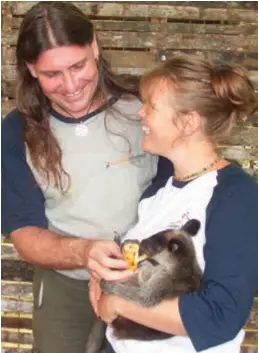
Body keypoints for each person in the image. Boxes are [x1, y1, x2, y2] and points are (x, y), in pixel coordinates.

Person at [1, 2, 173, 353]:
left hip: (148, 278)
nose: (70, 85)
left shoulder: (142, 108)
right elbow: (25, 234)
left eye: (78, 66)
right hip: (64, 284)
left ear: (94, 46)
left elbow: (181, 195)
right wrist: (85, 253)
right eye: (52, 74)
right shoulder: (16, 131)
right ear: (31, 69)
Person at [90, 56, 258, 353]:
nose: (141, 113)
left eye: (152, 106)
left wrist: (119, 303)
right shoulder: (160, 186)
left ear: (187, 123)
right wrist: (103, 277)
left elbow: (220, 315)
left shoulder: (236, 197)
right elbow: (144, 268)